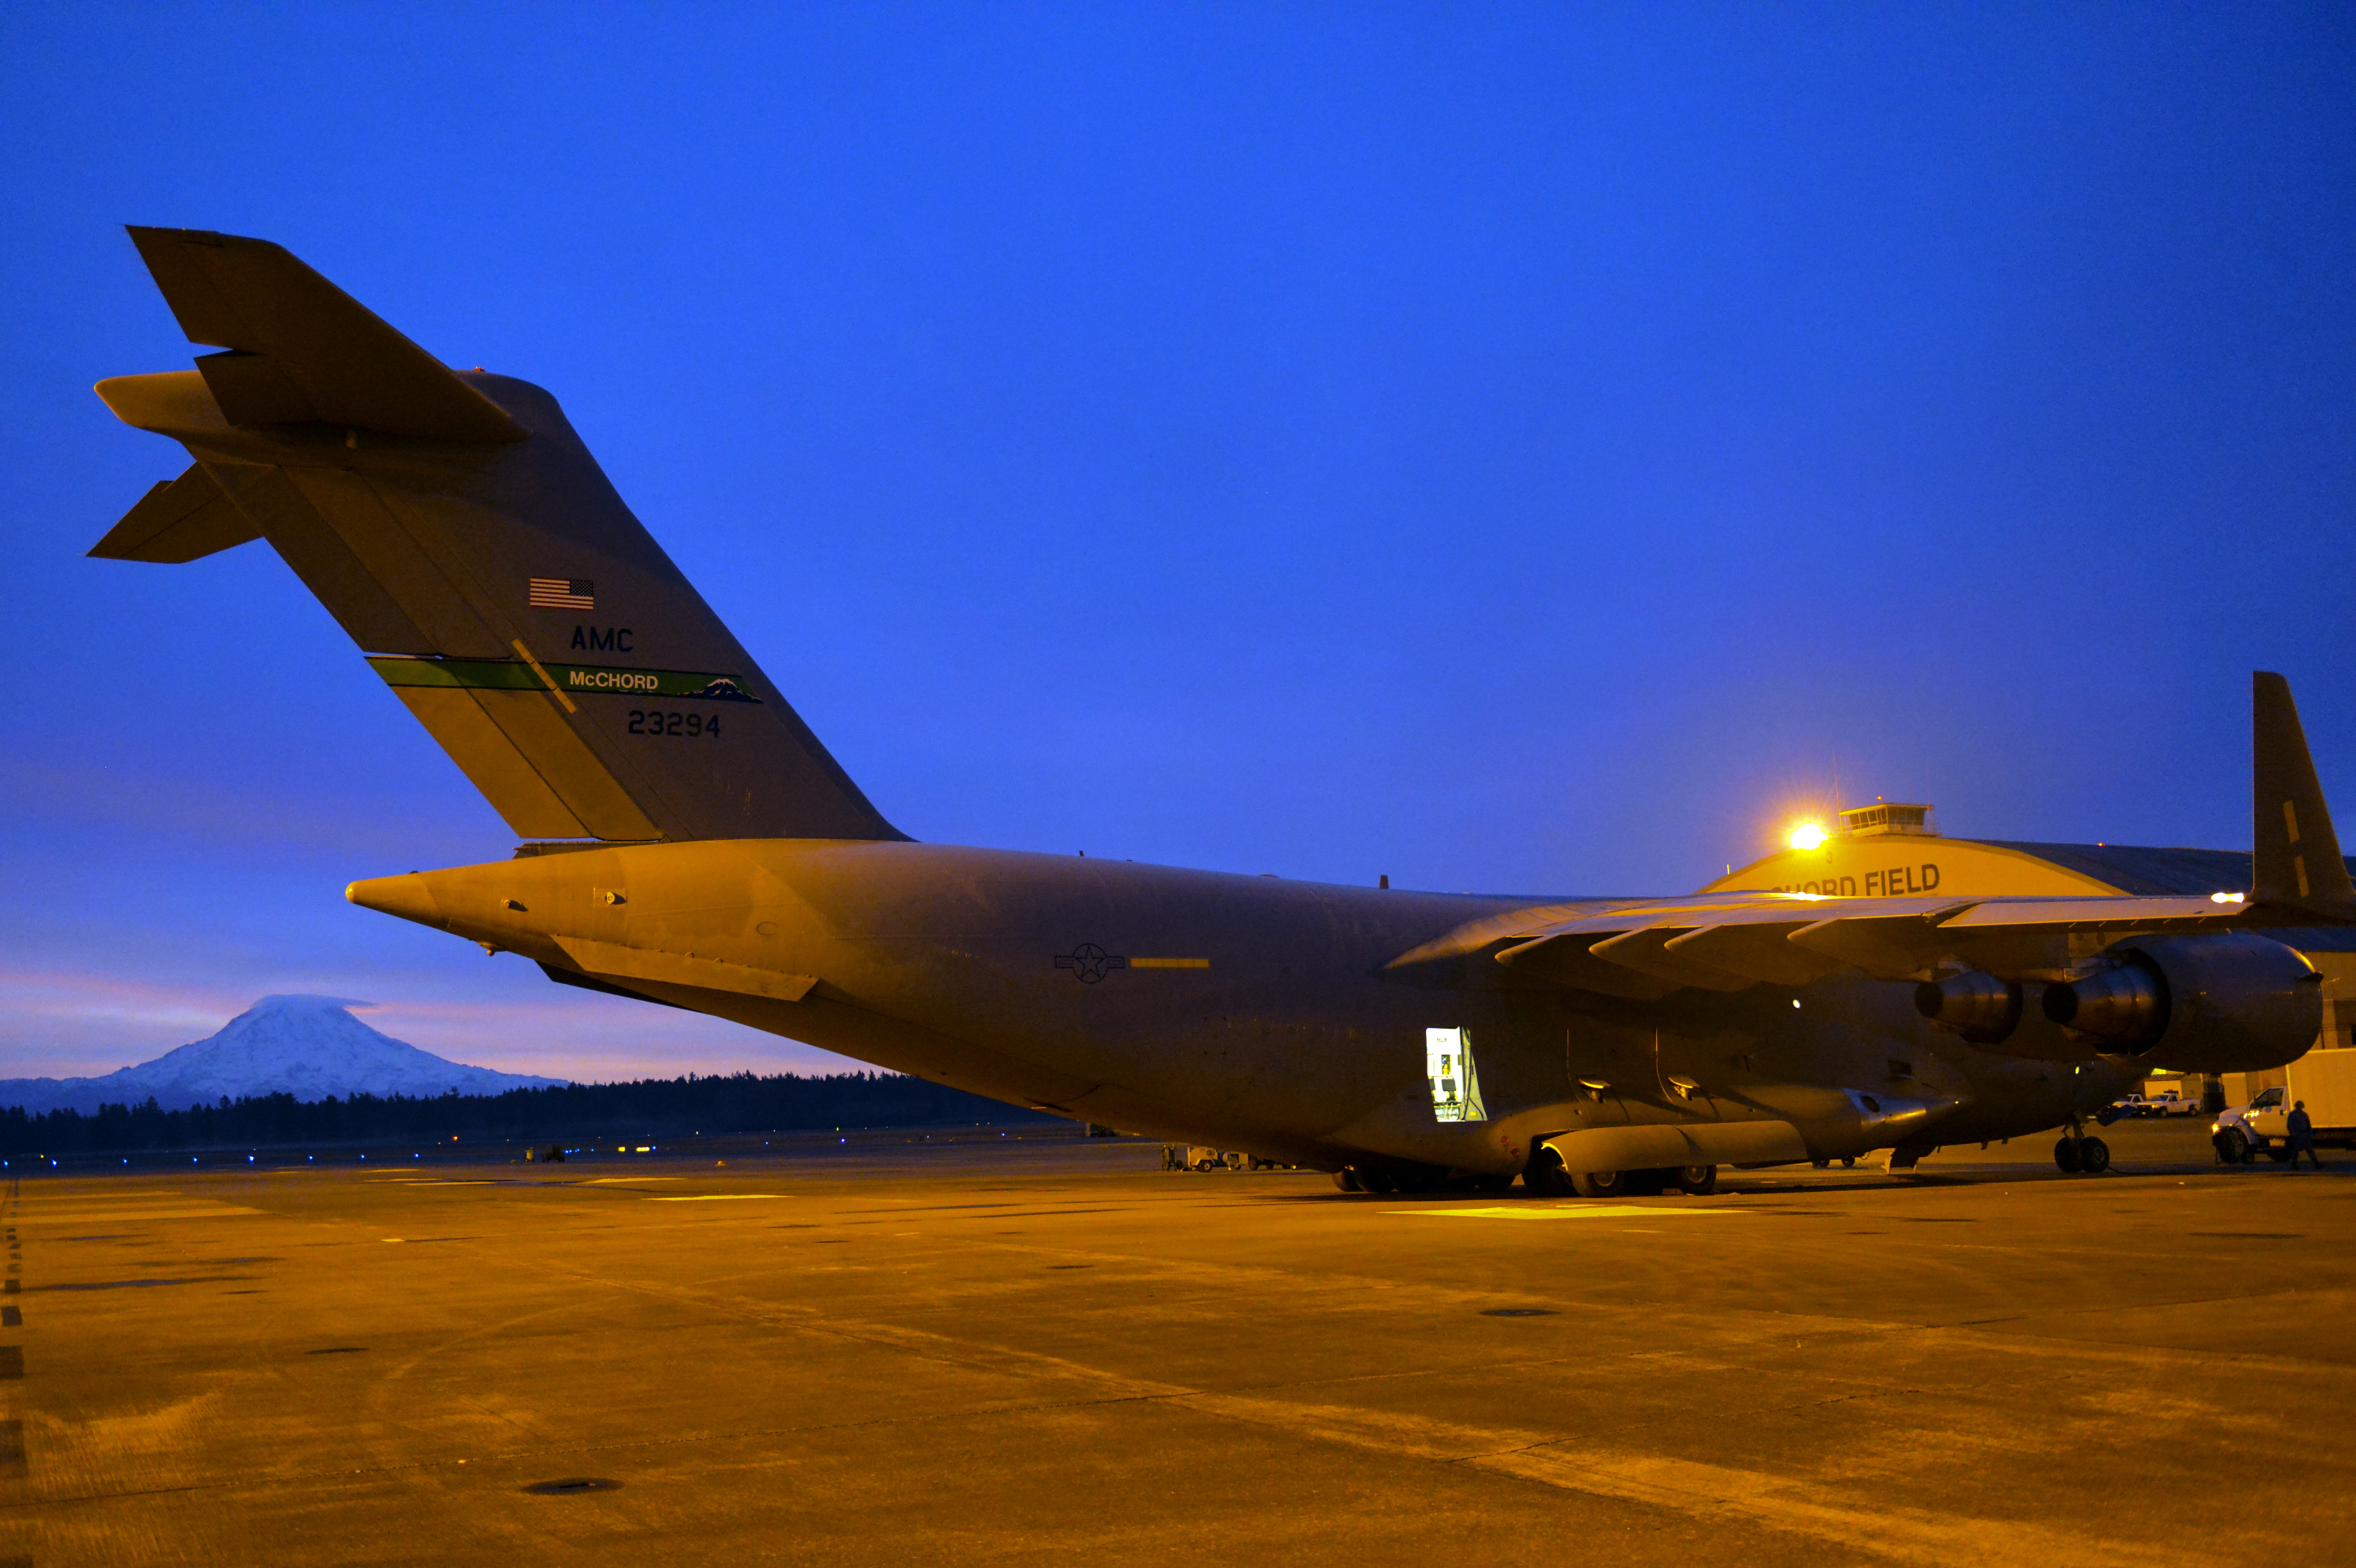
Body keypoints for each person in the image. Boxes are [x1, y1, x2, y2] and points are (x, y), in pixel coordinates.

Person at [2287, 1100, 2323, 1171]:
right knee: (2296, 1151)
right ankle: (2295, 1166)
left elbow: (2308, 1125)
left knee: (2306, 1150)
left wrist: (2309, 1134)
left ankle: (2316, 1164)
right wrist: (2293, 1133)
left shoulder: (2300, 1115)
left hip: (2303, 1134)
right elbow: (2290, 1125)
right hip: (2298, 1134)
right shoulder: (2296, 1115)